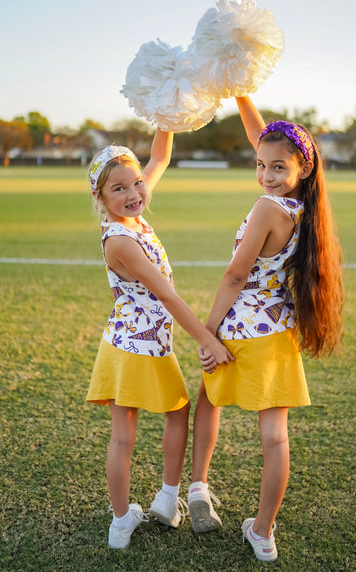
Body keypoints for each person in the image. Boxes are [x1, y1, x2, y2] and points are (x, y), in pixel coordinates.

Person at [188, 96, 343, 563]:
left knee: (208, 400)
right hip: (279, 332)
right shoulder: (303, 208)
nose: (265, 175)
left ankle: (197, 486)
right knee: (275, 436)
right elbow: (269, 138)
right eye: (259, 165)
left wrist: (207, 332)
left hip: (239, 330)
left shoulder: (265, 207)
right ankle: (262, 532)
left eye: (277, 167)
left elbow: (235, 275)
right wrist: (240, 91)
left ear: (302, 168)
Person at [86, 131, 232, 549]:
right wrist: (208, 340)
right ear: (101, 197)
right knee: (162, 419)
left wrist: (167, 112)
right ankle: (160, 501)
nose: (134, 192)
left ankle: (130, 520)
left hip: (121, 343)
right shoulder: (120, 239)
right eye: (119, 188)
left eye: (137, 183)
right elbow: (166, 296)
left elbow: (161, 156)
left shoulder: (131, 214)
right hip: (142, 348)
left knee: (131, 432)